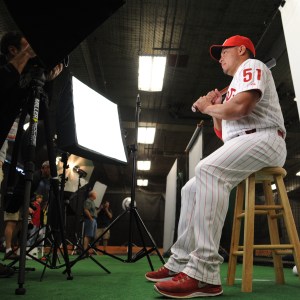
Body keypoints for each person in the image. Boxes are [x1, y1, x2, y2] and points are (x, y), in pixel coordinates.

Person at [146, 35, 287, 298]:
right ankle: (179, 261)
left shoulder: (252, 66)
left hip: (266, 139)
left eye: (224, 51)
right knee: (190, 189)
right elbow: (225, 134)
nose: (220, 57)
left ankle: (204, 273)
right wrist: (216, 107)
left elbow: (242, 108)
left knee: (208, 169)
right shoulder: (234, 85)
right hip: (246, 141)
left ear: (242, 50)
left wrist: (209, 106)